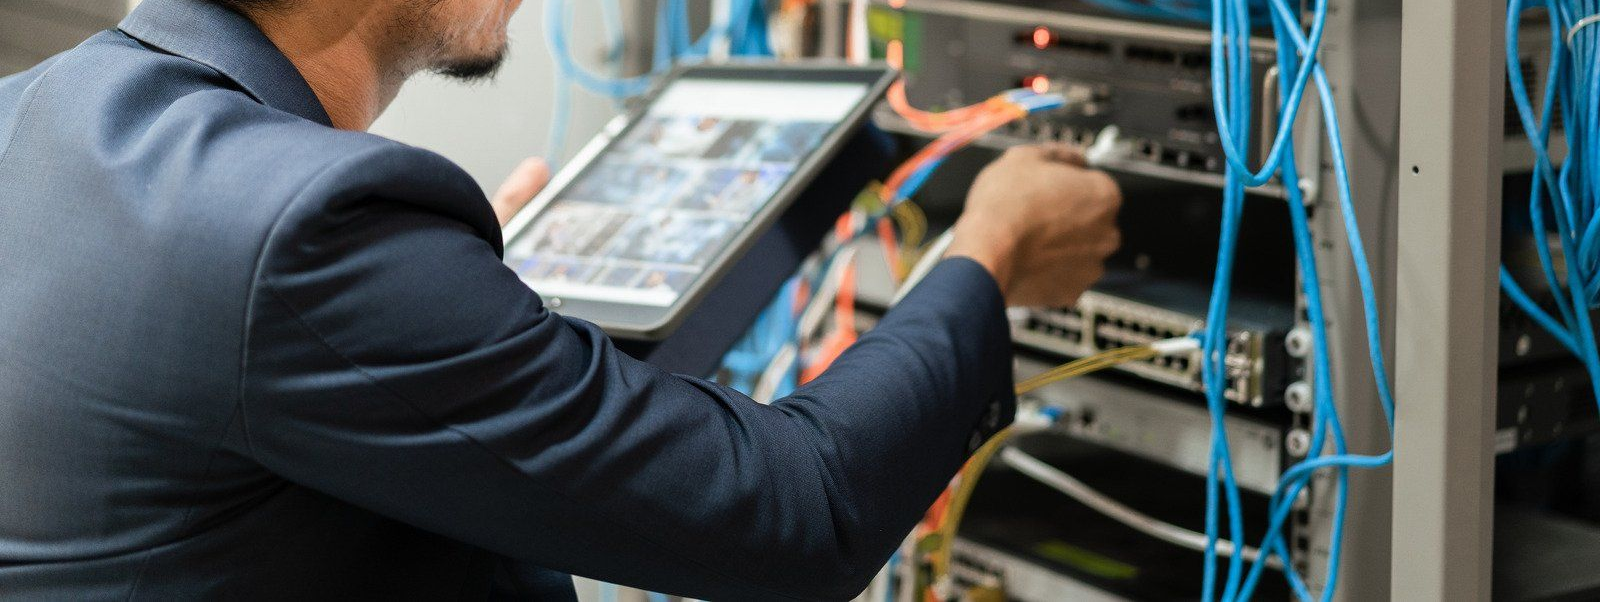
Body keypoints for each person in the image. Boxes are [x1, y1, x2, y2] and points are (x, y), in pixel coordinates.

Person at [0, 0, 1121, 600]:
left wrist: (466, 314)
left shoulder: (32, 111)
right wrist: (990, 254)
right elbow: (797, 513)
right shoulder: (308, 226)